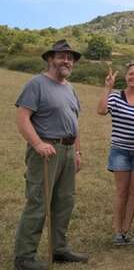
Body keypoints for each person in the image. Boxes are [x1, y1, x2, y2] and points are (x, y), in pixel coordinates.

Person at [13, 39, 88, 270]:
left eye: (70, 57)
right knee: (38, 203)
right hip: (46, 152)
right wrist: (37, 144)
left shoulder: (70, 88)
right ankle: (24, 257)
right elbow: (23, 118)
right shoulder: (36, 84)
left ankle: (59, 248)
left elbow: (74, 122)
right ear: (49, 59)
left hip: (67, 151)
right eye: (62, 56)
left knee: (64, 202)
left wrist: (77, 151)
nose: (67, 60)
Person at [97, 61, 134, 245]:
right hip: (120, 151)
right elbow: (101, 110)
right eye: (131, 73)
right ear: (126, 77)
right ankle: (117, 232)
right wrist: (108, 87)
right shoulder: (117, 97)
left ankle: (126, 230)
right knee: (122, 192)